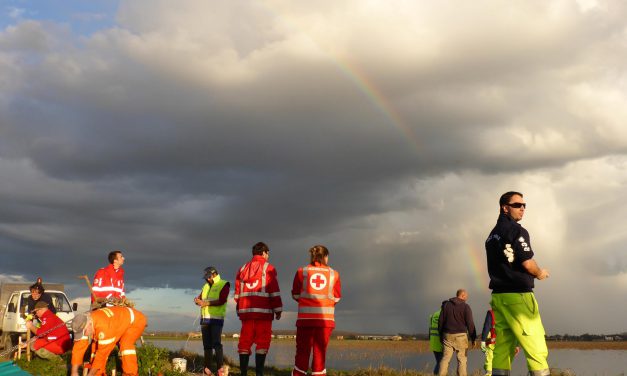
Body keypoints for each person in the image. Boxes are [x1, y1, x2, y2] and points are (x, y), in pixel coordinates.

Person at [485, 191, 550, 376]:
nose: (522, 208)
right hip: (519, 298)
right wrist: (540, 273)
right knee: (536, 346)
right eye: (517, 205)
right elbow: (527, 263)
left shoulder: (492, 236)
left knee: (502, 348)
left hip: (499, 298)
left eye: (524, 205)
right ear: (505, 208)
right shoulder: (517, 231)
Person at [291, 245, 341, 376]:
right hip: (325, 322)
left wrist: (306, 301)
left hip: (305, 321)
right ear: (325, 257)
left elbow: (295, 294)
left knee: (302, 351)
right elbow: (337, 297)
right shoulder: (334, 274)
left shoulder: (302, 271)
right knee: (320, 352)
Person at [234, 242, 283, 376]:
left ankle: (243, 373)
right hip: (263, 313)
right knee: (262, 343)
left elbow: (237, 292)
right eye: (268, 254)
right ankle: (259, 373)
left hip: (246, 314)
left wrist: (239, 309)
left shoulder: (242, 268)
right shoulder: (268, 268)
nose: (268, 256)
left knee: (244, 343)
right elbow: (274, 291)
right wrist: (278, 309)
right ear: (264, 252)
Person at [70, 306, 147, 376]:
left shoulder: (105, 328)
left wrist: (90, 375)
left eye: (84, 333)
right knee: (95, 346)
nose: (84, 335)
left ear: (89, 324)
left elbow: (102, 355)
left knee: (126, 344)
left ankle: (130, 373)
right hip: (118, 321)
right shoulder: (84, 321)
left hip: (136, 321)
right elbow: (79, 347)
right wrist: (74, 372)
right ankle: (99, 373)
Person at [194, 266, 231, 376]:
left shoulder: (224, 284)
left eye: (208, 277)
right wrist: (197, 300)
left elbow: (222, 300)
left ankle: (220, 370)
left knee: (216, 344)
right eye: (206, 278)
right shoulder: (205, 286)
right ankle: (207, 370)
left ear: (214, 274)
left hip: (216, 320)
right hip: (205, 320)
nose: (207, 279)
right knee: (207, 346)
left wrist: (206, 303)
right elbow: (200, 297)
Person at [437, 289, 476, 376]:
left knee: (445, 358)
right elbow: (470, 324)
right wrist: (473, 338)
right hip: (461, 337)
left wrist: (441, 336)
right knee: (462, 359)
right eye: (466, 297)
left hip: (447, 336)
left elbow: (440, 321)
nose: (466, 299)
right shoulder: (466, 307)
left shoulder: (446, 305)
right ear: (462, 295)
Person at [480, 309, 520, 376]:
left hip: (492, 343)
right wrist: (517, 344)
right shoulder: (511, 312)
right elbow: (517, 329)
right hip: (507, 344)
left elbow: (486, 327)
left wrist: (483, 341)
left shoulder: (491, 313)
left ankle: (489, 373)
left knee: (490, 362)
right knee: (505, 363)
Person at [428, 308, 443, 375]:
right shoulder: (443, 315)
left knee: (438, 361)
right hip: (439, 343)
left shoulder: (434, 314)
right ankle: (436, 374)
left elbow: (430, 329)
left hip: (433, 343)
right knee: (440, 362)